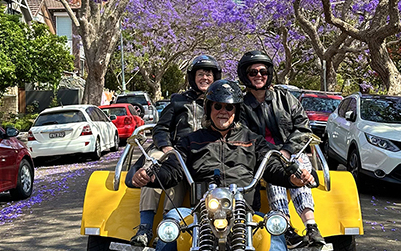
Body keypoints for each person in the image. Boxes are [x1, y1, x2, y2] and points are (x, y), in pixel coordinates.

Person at [130, 80, 315, 251]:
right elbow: (173, 170)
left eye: (229, 107)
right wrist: (151, 177)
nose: (223, 111)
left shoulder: (253, 140)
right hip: (198, 213)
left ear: (236, 111)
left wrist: (293, 178)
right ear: (209, 108)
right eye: (218, 106)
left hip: (247, 213)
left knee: (275, 235)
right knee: (170, 228)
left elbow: (273, 167)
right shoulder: (191, 141)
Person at [129, 55, 222, 247]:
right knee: (153, 165)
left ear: (215, 78)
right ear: (192, 77)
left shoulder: (219, 102)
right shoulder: (178, 101)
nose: (205, 78)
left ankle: (168, 227)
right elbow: (161, 128)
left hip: (201, 154)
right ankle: (146, 227)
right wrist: (167, 147)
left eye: (209, 74)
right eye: (201, 74)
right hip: (174, 151)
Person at [236, 50, 325, 248]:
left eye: (263, 71)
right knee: (275, 173)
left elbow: (303, 126)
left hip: (291, 152)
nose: (259, 75)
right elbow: (245, 135)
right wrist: (274, 154)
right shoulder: (241, 106)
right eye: (253, 72)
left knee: (298, 167)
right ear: (245, 75)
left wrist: (286, 150)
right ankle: (284, 226)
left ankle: (311, 225)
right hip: (261, 155)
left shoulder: (285, 97)